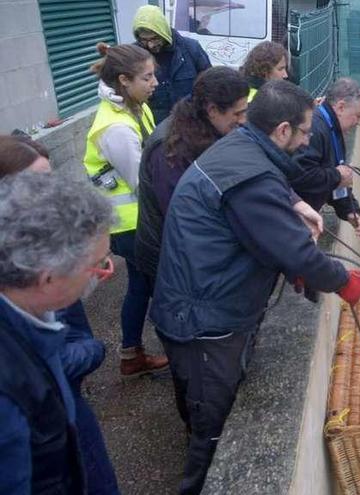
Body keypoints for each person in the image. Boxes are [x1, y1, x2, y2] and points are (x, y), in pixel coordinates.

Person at [149, 80, 360, 494]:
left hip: (202, 303)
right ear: (282, 130)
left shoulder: (243, 149)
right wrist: (346, 281)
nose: (309, 142)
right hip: (205, 321)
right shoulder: (251, 176)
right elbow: (297, 253)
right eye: (305, 132)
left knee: (202, 409)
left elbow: (266, 219)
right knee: (212, 431)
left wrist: (292, 202)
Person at [1, 136, 121, 494]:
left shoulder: (30, 316)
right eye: (96, 266)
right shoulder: (8, 396)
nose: (104, 274)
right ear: (48, 276)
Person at [83, 42, 169, 377]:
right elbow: (143, 182)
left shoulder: (134, 108)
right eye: (147, 77)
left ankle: (131, 355)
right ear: (124, 80)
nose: (154, 83)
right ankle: (172, 346)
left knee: (141, 286)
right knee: (160, 285)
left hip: (138, 222)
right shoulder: (116, 127)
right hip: (131, 227)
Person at [135, 67, 249, 286]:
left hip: (193, 249)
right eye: (237, 113)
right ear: (212, 109)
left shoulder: (213, 126)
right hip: (169, 255)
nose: (244, 120)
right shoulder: (170, 148)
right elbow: (182, 214)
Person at [291, 77, 360, 239]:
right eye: (358, 116)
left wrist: (349, 210)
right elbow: (301, 176)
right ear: (341, 107)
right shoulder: (315, 128)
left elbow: (334, 175)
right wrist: (337, 175)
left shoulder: (332, 127)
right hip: (293, 220)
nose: (358, 122)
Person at [132, 5, 212, 123]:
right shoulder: (134, 56)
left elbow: (210, 86)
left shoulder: (191, 49)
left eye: (154, 38)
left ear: (164, 32)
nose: (150, 45)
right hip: (155, 130)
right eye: (144, 40)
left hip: (190, 125)